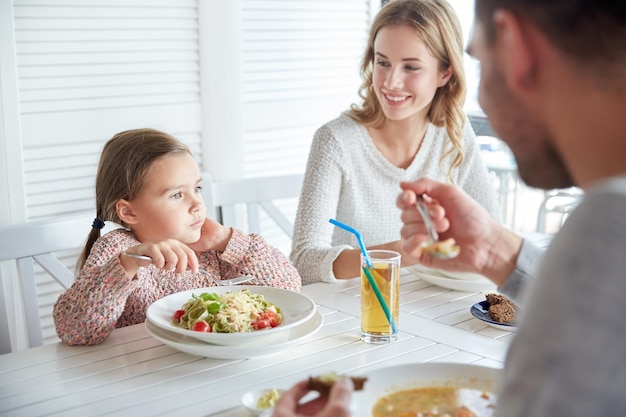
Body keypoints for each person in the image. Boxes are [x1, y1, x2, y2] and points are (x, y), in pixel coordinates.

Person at [276, 0, 626, 416]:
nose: (390, 80)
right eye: (382, 62)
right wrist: (494, 252)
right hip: (354, 331)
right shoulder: (601, 229)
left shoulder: (602, 229)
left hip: (431, 326)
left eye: (476, 55)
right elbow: (582, 317)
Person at [290, 0, 501, 285]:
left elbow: (493, 234)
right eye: (383, 63)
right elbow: (303, 262)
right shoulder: (336, 141)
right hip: (356, 312)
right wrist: (403, 252)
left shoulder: (455, 132)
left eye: (411, 67)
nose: (391, 82)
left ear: (445, 72)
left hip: (435, 306)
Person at [53, 128, 301, 346]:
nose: (197, 204)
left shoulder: (209, 245)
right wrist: (127, 265)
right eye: (176, 195)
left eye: (197, 188)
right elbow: (75, 331)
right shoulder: (119, 250)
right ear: (128, 211)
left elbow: (289, 289)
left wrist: (232, 241)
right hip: (148, 377)